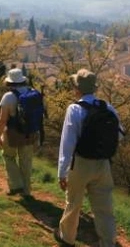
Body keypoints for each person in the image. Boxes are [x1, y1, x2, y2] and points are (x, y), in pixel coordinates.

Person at [54, 68, 124, 247]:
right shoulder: (107, 107)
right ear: (94, 88)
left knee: (73, 203)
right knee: (104, 208)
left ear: (77, 89)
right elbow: (120, 134)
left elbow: (67, 143)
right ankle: (108, 242)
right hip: (103, 164)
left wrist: (62, 172)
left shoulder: (75, 109)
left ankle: (66, 237)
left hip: (81, 163)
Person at [0, 67, 38, 197]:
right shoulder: (33, 93)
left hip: (12, 133)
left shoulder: (8, 97)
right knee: (26, 162)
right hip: (30, 133)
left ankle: (16, 185)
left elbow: (3, 120)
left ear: (9, 82)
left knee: (8, 156)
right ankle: (27, 191)